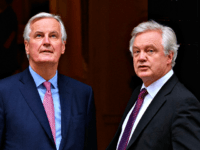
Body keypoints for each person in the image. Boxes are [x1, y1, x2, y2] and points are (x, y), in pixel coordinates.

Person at [0, 12, 97, 150]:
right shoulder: (3, 92)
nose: (46, 42)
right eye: (39, 35)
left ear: (63, 46)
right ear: (27, 46)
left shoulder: (83, 94)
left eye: (53, 36)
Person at [107, 20, 200, 150]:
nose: (141, 57)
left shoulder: (183, 103)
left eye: (150, 50)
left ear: (169, 56)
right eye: (136, 51)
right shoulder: (138, 94)